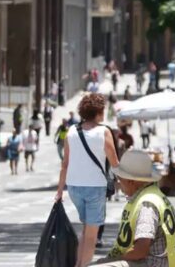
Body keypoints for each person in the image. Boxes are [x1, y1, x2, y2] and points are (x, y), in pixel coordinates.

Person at [55, 94, 120, 267]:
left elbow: (65, 164)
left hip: (74, 187)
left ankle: (78, 263)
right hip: (95, 187)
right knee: (92, 234)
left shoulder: (71, 131)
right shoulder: (104, 131)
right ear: (98, 112)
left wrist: (60, 191)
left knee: (85, 230)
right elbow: (114, 163)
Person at [89, 150, 175, 267]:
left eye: (120, 179)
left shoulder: (147, 205)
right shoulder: (153, 196)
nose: (118, 183)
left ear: (131, 181)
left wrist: (115, 260)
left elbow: (141, 251)